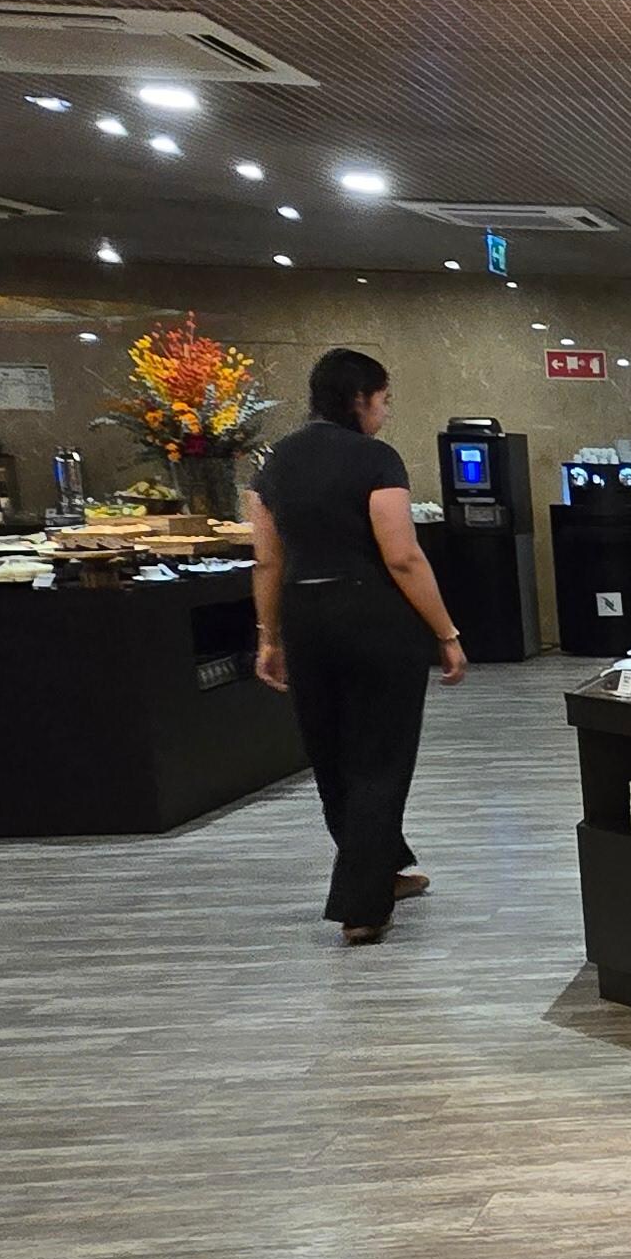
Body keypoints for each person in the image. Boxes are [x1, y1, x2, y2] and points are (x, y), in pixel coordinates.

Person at [248, 350, 466, 945]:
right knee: (380, 757)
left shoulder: (275, 462)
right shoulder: (376, 458)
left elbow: (267, 559)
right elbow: (402, 555)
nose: (385, 412)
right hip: (372, 618)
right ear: (360, 398)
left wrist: (269, 637)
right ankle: (362, 906)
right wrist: (446, 633)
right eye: (384, 400)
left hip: (305, 619)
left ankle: (383, 867)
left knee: (333, 755)